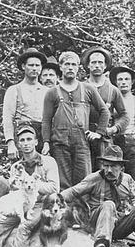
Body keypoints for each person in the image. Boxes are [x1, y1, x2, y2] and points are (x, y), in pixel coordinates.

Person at [59, 145, 135, 247]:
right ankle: (101, 243)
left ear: (121, 167)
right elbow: (73, 191)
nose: (109, 170)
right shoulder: (95, 178)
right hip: (96, 223)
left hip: (117, 224)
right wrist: (56, 199)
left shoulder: (128, 180)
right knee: (108, 204)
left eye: (113, 166)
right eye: (106, 165)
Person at [41, 50, 110, 189]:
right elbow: (46, 120)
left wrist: (99, 132)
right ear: (60, 67)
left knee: (84, 183)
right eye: (67, 64)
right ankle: (65, 211)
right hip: (59, 143)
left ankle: (83, 211)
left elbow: (105, 111)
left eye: (74, 64)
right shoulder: (52, 92)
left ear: (79, 67)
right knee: (63, 183)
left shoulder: (88, 89)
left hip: (82, 143)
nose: (70, 68)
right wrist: (46, 142)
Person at [3, 48, 48, 157]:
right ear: (23, 67)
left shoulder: (47, 91)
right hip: (23, 135)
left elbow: (51, 119)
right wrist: (10, 143)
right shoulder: (14, 90)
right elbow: (7, 117)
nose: (34, 68)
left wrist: (47, 142)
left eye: (37, 65)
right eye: (31, 65)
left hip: (41, 136)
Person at [82, 46, 127, 145]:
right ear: (88, 65)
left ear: (105, 65)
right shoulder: (80, 87)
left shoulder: (113, 90)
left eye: (100, 62)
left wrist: (114, 129)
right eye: (93, 62)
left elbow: (124, 115)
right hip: (83, 137)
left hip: (105, 138)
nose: (97, 66)